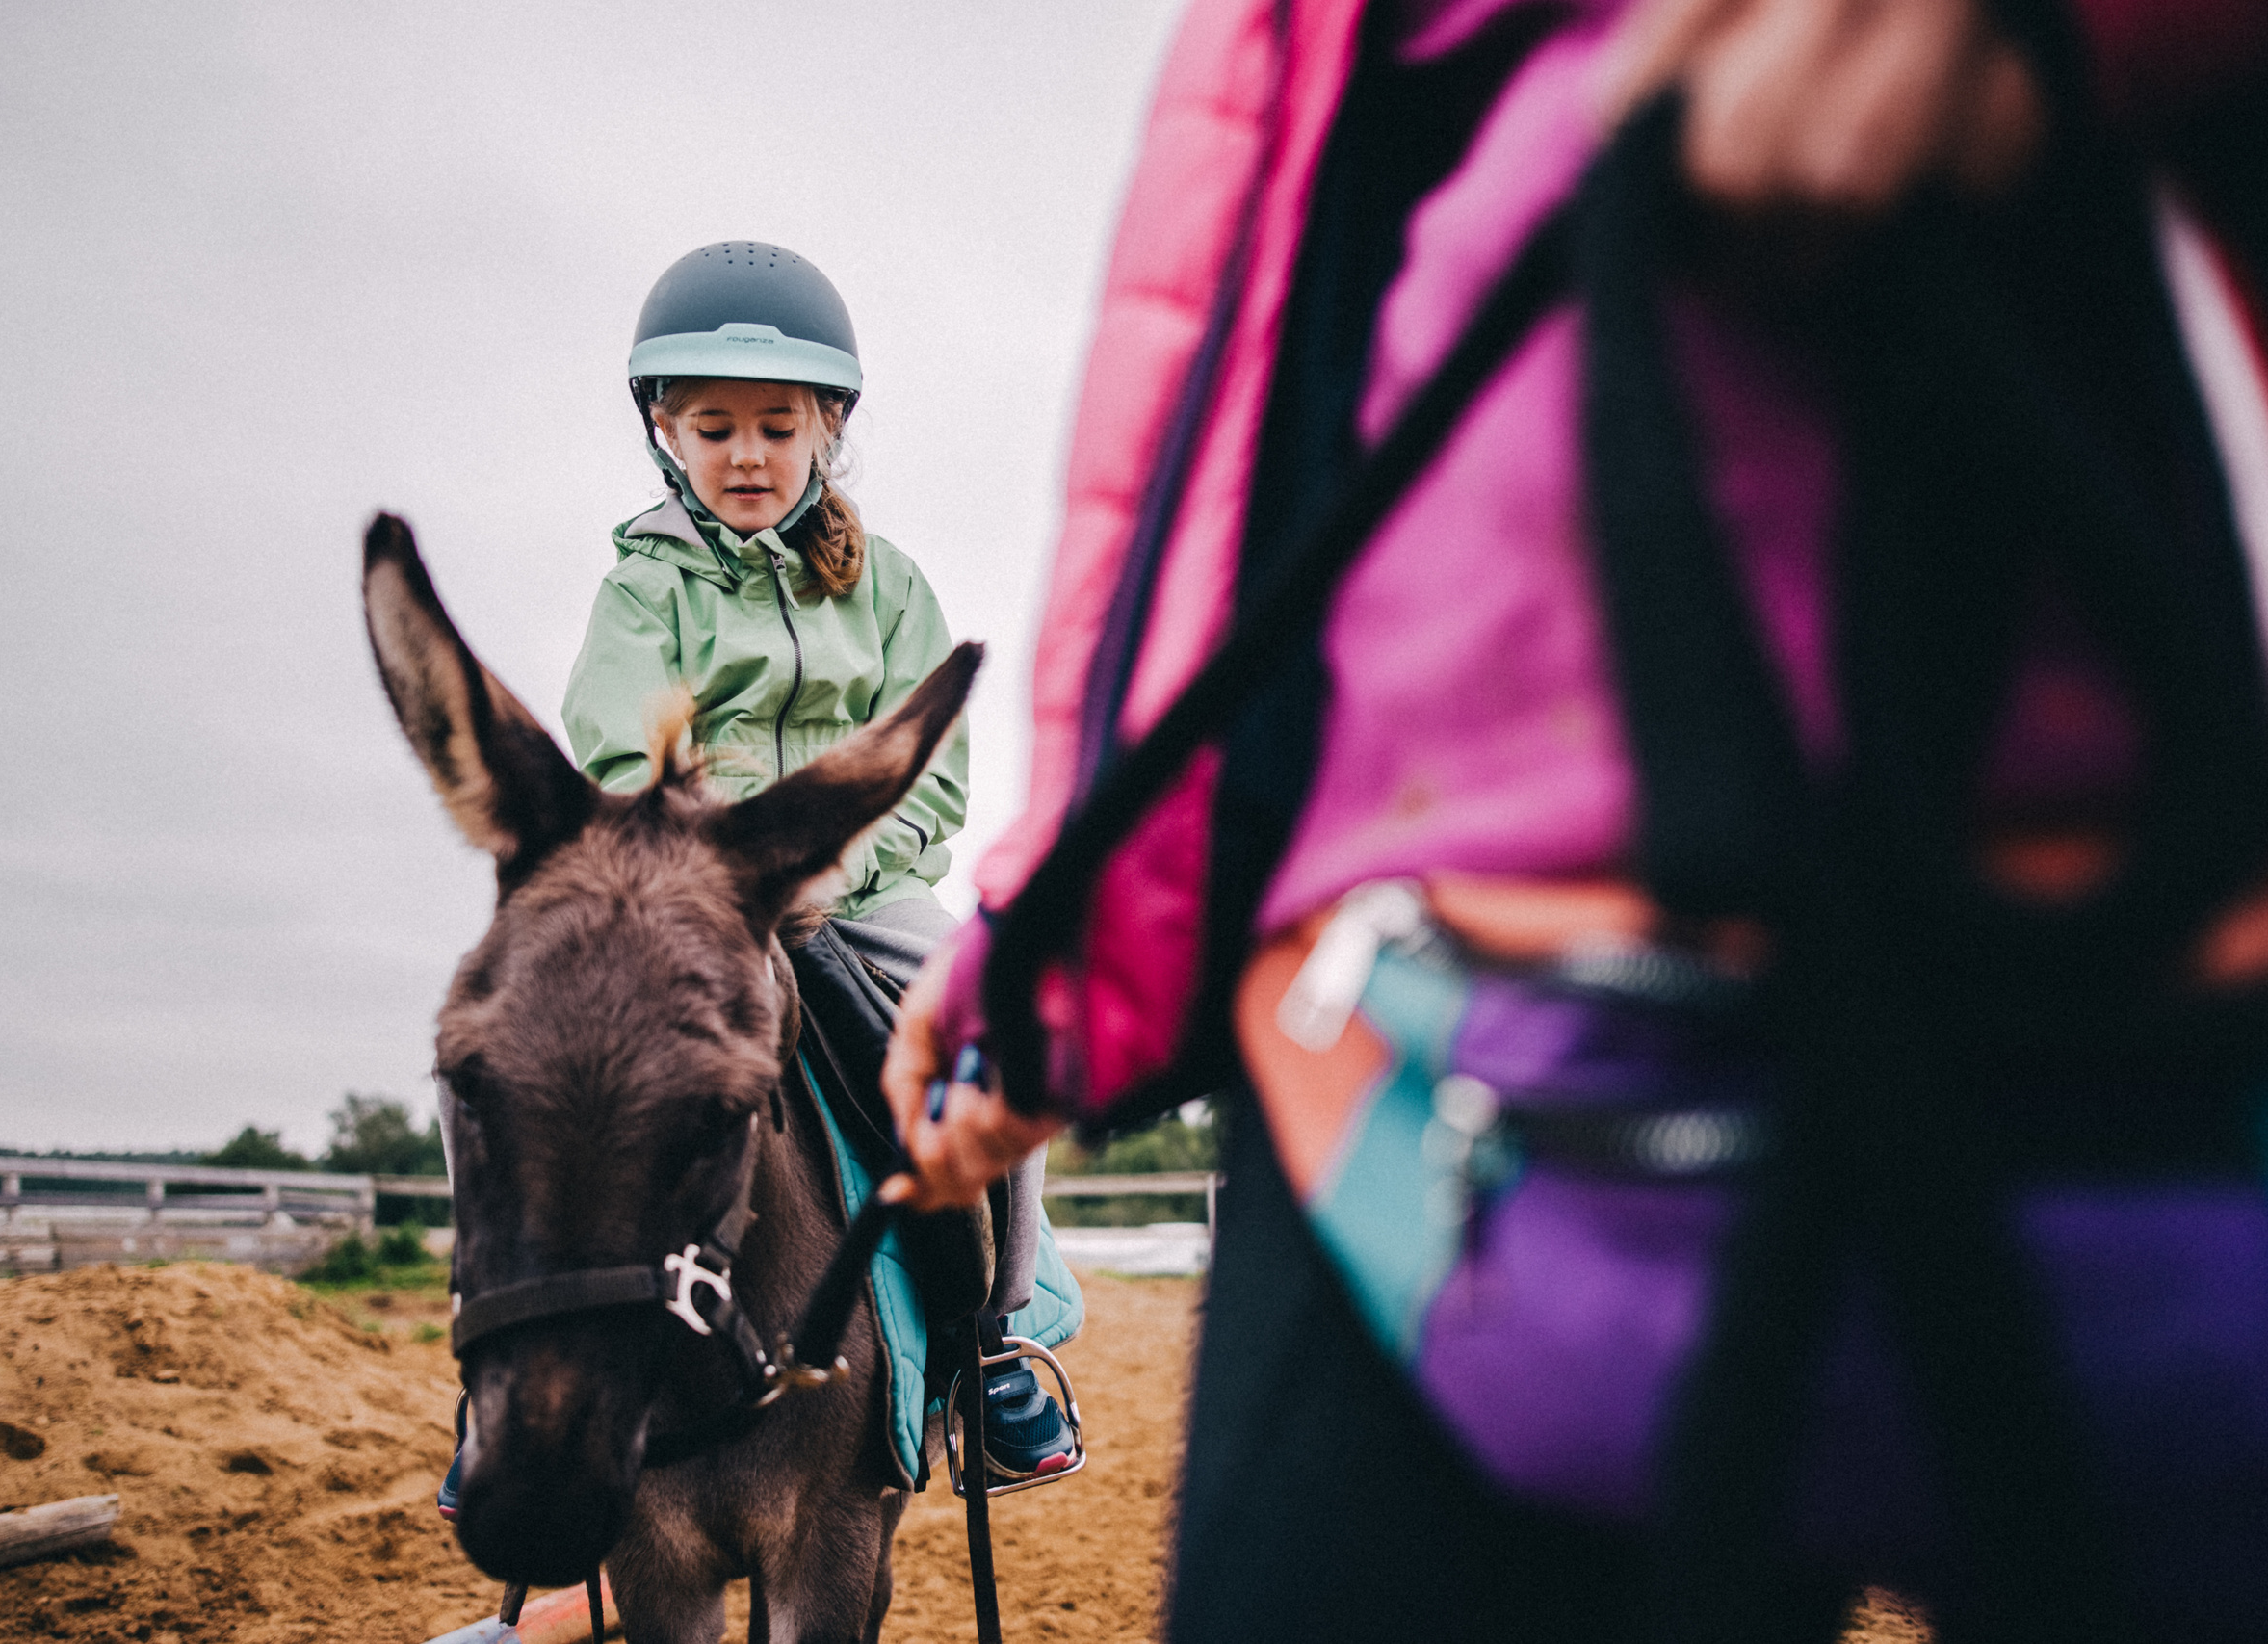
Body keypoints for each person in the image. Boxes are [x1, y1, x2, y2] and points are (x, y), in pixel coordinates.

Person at [884, 1, 2268, 1639]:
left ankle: (994, 1348)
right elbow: (1235, 378)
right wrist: (1063, 937)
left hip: (2109, 905)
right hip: (1433, 957)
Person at [438, 241, 1074, 1524]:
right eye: (713, 427)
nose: (745, 455)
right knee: (502, 1055)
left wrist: (836, 867)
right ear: (664, 433)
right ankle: (496, 1366)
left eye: (776, 427)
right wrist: (716, 879)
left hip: (861, 887)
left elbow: (933, 780)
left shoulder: (891, 587)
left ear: (828, 428)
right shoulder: (643, 591)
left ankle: (993, 1342)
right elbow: (620, 760)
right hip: (692, 902)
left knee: (987, 1030)